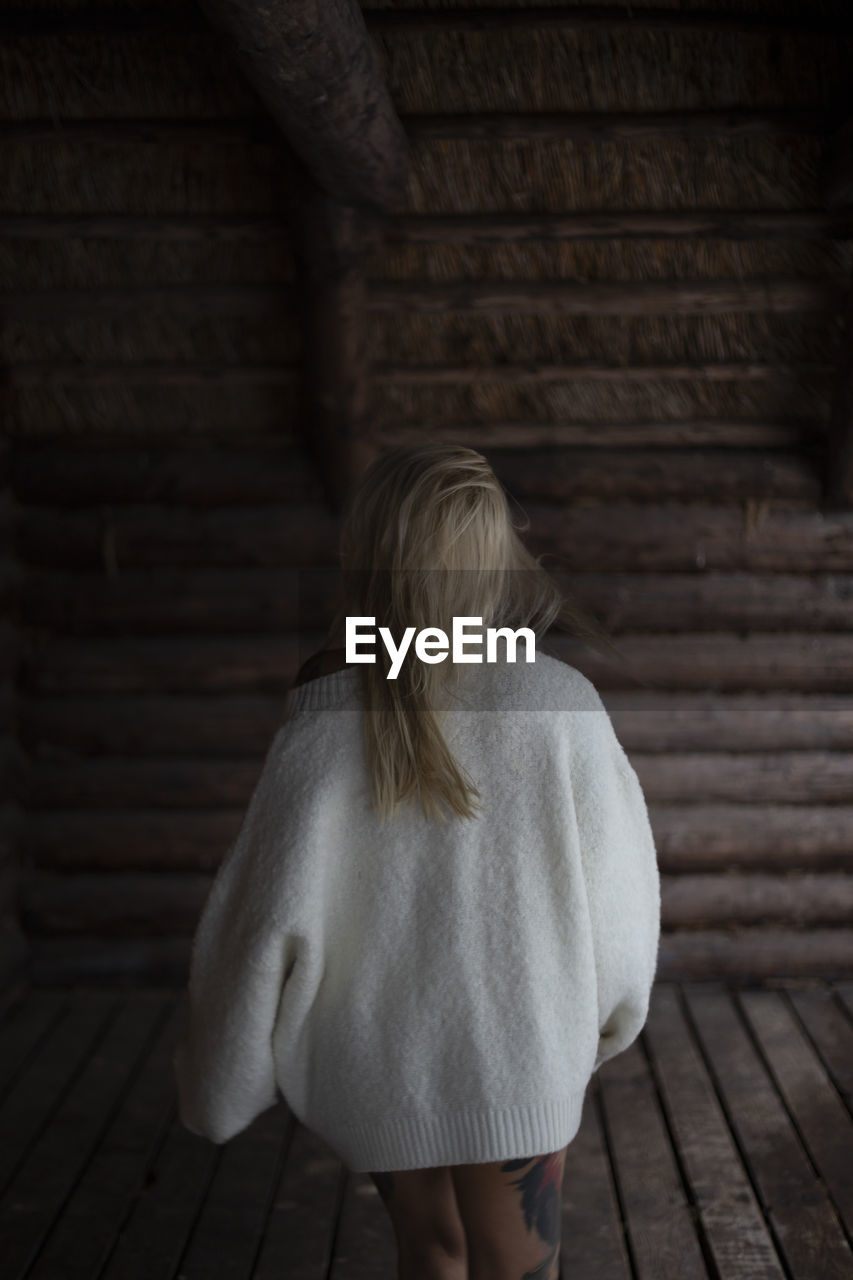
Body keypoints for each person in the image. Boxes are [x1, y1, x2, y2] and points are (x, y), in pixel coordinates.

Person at [174, 443, 661, 1280]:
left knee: (429, 1254)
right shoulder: (562, 706)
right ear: (498, 558)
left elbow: (260, 918)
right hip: (523, 1051)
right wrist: (603, 1023)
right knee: (519, 1266)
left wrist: (219, 1078)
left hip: (376, 1060)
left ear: (364, 557)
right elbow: (620, 910)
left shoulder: (319, 721)